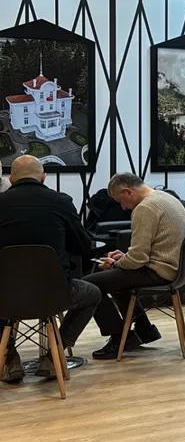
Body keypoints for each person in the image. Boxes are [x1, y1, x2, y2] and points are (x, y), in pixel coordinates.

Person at [0, 157, 101, 384]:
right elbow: (83, 247)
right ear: (43, 177)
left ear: (11, 179)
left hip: (5, 296)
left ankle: (8, 356)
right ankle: (53, 354)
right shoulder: (61, 202)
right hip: (55, 294)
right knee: (93, 294)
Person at [87, 173, 185, 359]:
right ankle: (144, 330)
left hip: (158, 271)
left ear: (128, 192)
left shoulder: (145, 208)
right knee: (117, 282)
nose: (123, 207)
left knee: (90, 285)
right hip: (174, 269)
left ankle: (121, 337)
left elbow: (138, 259)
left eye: (120, 201)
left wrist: (116, 263)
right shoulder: (165, 197)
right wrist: (125, 258)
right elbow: (146, 251)